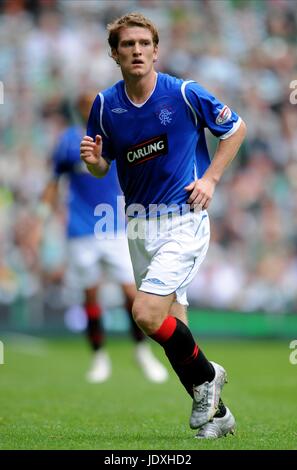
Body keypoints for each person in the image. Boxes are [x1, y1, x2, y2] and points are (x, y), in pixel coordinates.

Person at [80, 13, 246, 438]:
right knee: (174, 328)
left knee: (146, 313)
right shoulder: (105, 105)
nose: (136, 50)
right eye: (127, 44)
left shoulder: (184, 93)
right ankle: (219, 415)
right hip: (137, 226)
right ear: (114, 53)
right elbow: (104, 166)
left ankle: (208, 376)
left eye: (143, 43)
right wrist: (96, 162)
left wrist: (210, 179)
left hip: (183, 221)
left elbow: (236, 127)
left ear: (156, 50)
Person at [37, 93, 169, 384]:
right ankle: (99, 357)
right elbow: (53, 182)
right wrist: (41, 217)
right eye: (84, 104)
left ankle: (141, 351)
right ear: (79, 109)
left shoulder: (117, 135)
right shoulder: (69, 142)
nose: (89, 108)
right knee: (90, 295)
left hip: (116, 228)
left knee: (132, 295)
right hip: (80, 232)